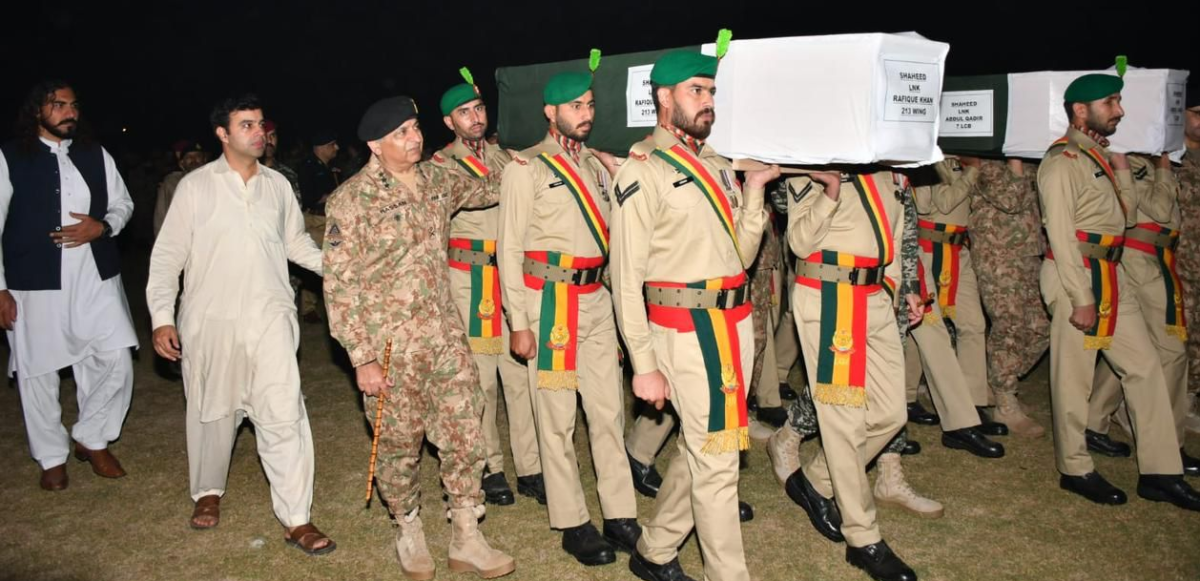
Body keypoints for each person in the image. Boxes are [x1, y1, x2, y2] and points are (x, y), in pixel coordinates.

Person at [323, 95, 515, 579]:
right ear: (374, 145)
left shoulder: (435, 180)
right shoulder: (352, 200)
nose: (415, 138)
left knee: (465, 431)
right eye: (402, 134)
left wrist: (540, 161)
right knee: (396, 444)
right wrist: (361, 358)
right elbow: (340, 285)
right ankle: (408, 530)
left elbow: (490, 185)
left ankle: (467, 534)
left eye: (415, 128)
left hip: (445, 336)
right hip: (389, 348)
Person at [611, 43, 777, 581]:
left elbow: (740, 258)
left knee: (705, 449)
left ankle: (655, 550)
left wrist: (752, 193)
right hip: (681, 333)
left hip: (732, 328)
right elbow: (626, 278)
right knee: (719, 463)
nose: (708, 102)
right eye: (696, 91)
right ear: (664, 97)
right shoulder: (644, 170)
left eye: (711, 92)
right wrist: (643, 363)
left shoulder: (717, 165)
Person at [147, 94, 334, 554]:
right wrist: (160, 318)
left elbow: (297, 245)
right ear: (222, 134)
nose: (257, 132)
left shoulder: (277, 187)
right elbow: (167, 257)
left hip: (271, 317)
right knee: (212, 412)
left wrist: (339, 267)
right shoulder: (195, 187)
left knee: (284, 413)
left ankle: (297, 517)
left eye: (260, 125)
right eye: (245, 125)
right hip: (211, 321)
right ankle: (207, 492)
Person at [498, 60, 641, 567]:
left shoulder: (598, 165)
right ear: (549, 112)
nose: (585, 114)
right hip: (549, 305)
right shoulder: (527, 167)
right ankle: (572, 520)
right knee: (556, 420)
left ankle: (621, 513)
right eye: (575, 106)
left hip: (596, 301)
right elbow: (509, 248)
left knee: (607, 411)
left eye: (590, 105)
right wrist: (517, 321)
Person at [1037, 73, 1199, 511]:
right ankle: (1074, 468)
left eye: (1119, 101)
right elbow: (1061, 235)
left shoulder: (1101, 158)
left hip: (1113, 273)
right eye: (1111, 102)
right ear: (1080, 110)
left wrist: (1124, 172)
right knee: (1074, 378)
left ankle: (1161, 472)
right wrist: (1080, 297)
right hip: (1077, 277)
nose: (1120, 111)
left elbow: (1125, 220)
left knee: (1145, 367)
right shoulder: (1061, 161)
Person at [780, 164, 922, 581]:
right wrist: (829, 191)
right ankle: (863, 538)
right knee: (844, 424)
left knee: (891, 414)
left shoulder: (885, 172)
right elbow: (799, 240)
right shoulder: (812, 167)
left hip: (876, 297)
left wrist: (897, 290)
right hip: (830, 297)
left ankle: (815, 478)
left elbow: (893, 239)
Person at [0, 80, 138, 492]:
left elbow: (123, 203)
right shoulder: (10, 157)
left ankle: (91, 437)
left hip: (96, 276)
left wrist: (104, 226)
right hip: (34, 281)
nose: (68, 112)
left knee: (116, 358)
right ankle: (51, 456)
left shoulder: (94, 153)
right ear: (36, 111)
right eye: (58, 105)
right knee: (37, 372)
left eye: (73, 104)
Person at [431, 69, 544, 506]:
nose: (475, 118)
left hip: (508, 277)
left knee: (520, 375)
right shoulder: (440, 167)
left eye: (479, 109)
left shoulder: (504, 157)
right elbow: (474, 195)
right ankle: (491, 466)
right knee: (482, 381)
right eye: (465, 112)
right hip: (469, 280)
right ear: (449, 122)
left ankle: (530, 466)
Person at [1085, 152, 1200, 475]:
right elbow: (1159, 209)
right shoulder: (1134, 162)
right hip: (1140, 257)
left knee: (1135, 349)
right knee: (1172, 353)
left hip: (1156, 256)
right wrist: (1164, 168)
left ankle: (1094, 423)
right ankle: (1169, 445)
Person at [969, 157, 1048, 437]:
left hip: (1030, 253)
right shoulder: (987, 166)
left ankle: (1002, 381)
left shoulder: (1035, 165)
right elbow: (1011, 200)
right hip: (997, 255)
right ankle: (1004, 400)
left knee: (1042, 326)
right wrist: (1015, 159)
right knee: (1010, 324)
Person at [1174, 77, 1200, 434]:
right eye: (1196, 113)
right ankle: (1182, 403)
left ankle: (1191, 398)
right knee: (1179, 334)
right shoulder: (1169, 159)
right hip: (1176, 261)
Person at [296, 129, 339, 323]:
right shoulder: (307, 167)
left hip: (330, 221)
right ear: (322, 147)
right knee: (313, 264)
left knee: (335, 259)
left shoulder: (330, 167)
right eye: (332, 144)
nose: (336, 148)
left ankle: (335, 303)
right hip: (314, 221)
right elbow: (310, 198)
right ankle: (308, 308)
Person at [153, 139, 207, 238]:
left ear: (204, 160)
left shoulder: (215, 181)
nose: (194, 160)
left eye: (198, 156)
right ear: (181, 163)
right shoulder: (171, 183)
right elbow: (161, 214)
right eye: (189, 157)